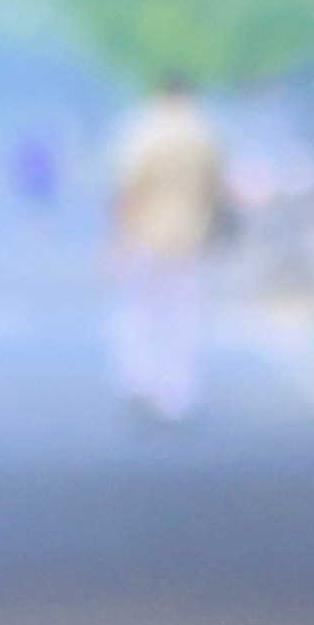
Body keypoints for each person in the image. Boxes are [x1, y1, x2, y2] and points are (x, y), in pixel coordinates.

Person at [110, 71, 230, 424]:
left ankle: (142, 380)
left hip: (146, 233)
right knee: (185, 318)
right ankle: (177, 396)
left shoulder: (144, 130)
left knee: (142, 311)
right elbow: (215, 189)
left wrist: (119, 236)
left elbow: (129, 186)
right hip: (192, 233)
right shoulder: (205, 132)